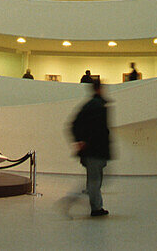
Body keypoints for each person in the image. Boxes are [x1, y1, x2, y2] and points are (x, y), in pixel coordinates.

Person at [69, 79, 111, 217]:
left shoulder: (92, 105)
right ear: (99, 89)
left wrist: (80, 141)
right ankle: (95, 208)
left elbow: (76, 124)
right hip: (95, 151)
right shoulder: (96, 106)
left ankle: (95, 205)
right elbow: (99, 130)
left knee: (94, 181)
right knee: (94, 181)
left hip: (94, 151)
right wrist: (82, 141)